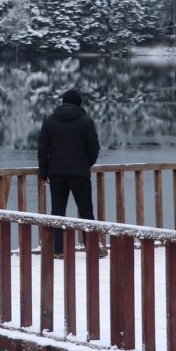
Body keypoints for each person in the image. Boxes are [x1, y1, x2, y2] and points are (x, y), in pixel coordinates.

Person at [37, 89, 100, 257]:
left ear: (63, 102)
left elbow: (42, 149)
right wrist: (86, 164)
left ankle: (58, 249)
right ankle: (91, 248)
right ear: (79, 103)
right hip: (80, 174)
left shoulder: (50, 121)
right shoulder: (86, 122)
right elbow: (94, 148)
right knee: (86, 212)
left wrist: (44, 172)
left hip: (56, 173)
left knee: (57, 212)